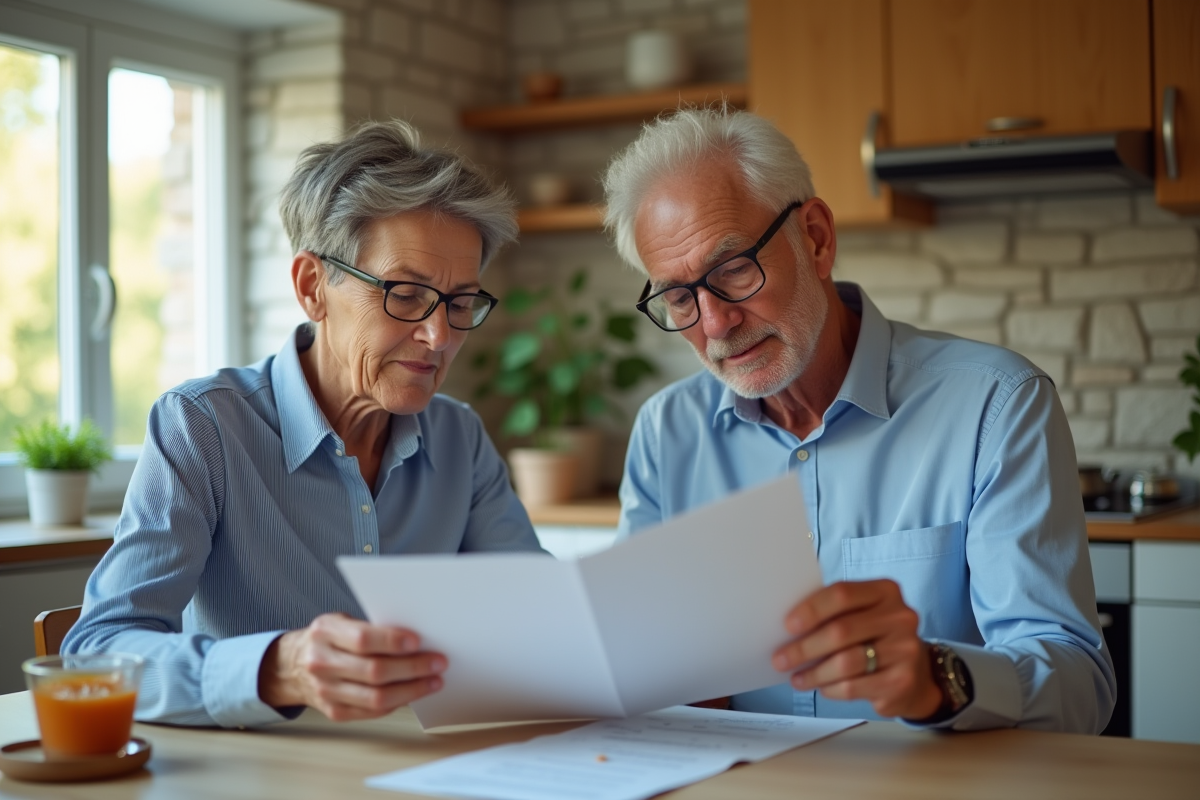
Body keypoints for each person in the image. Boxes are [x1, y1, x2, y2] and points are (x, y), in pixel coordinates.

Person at [601, 107, 1115, 733]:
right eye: (680, 297)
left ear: (815, 238)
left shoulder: (996, 405)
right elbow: (640, 664)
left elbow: (1079, 687)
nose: (715, 325)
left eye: (734, 269)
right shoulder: (666, 434)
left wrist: (937, 678)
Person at [64, 120, 543, 728]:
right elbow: (95, 654)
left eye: (461, 301)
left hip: (423, 768)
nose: (440, 335)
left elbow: (537, 616)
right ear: (313, 287)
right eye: (405, 293)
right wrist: (275, 668)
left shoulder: (460, 437)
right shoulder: (203, 428)